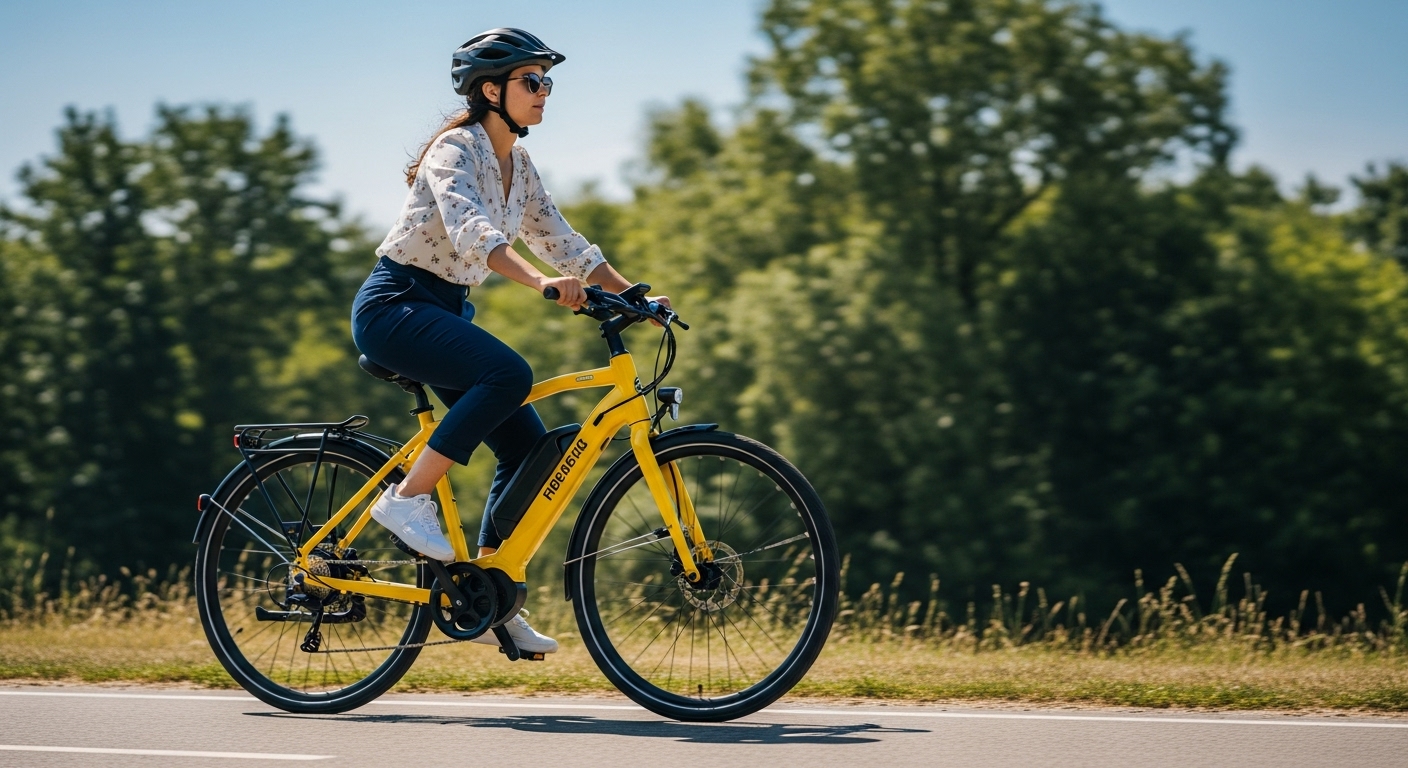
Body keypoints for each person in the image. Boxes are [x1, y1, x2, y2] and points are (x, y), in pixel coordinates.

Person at [349, 28, 668, 654]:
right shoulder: (455, 150)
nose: (544, 91)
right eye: (532, 81)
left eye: (547, 81)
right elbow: (472, 231)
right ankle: (408, 499)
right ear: (490, 90)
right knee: (509, 375)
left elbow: (563, 241)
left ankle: (490, 592)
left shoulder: (518, 164)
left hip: (443, 311)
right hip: (395, 307)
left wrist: (633, 296)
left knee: (531, 447)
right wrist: (539, 283)